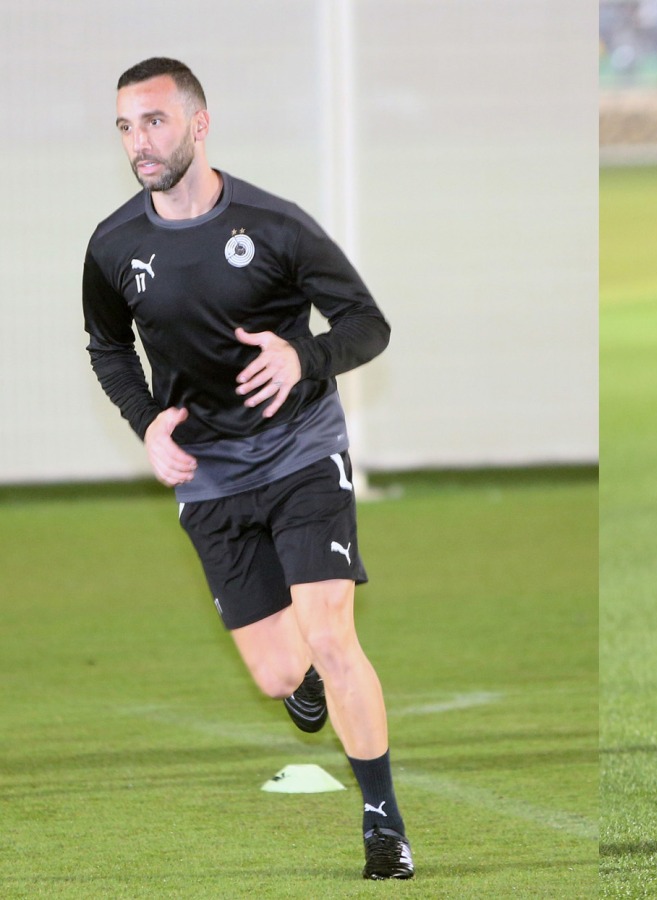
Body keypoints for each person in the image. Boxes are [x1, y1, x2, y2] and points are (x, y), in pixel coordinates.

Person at [82, 57, 413, 879]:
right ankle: (302, 687)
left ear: (199, 122)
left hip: (302, 449)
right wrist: (148, 421)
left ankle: (383, 822)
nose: (139, 141)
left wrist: (305, 357)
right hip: (209, 474)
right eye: (126, 125)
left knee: (332, 633)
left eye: (154, 120)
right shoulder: (114, 245)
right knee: (278, 673)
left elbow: (368, 325)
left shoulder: (275, 225)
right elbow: (107, 346)